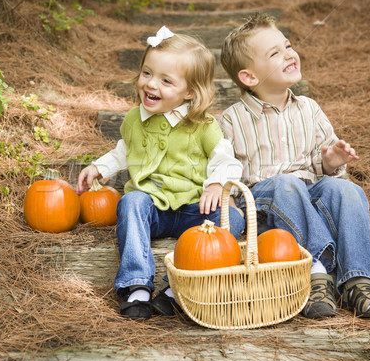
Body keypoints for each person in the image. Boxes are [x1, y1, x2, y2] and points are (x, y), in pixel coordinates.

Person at [218, 13, 370, 319]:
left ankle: (358, 281)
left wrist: (331, 163)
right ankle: (316, 274)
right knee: (288, 184)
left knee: (346, 190)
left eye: (287, 45)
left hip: (311, 193)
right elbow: (224, 170)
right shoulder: (233, 119)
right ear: (249, 77)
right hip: (270, 205)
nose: (289, 53)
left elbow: (325, 161)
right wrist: (231, 211)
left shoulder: (309, 109)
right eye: (275, 53)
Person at [77, 26, 245, 320]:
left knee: (234, 220)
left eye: (165, 80)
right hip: (152, 208)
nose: (151, 84)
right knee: (130, 203)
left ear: (190, 91)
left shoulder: (203, 125)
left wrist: (216, 184)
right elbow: (124, 150)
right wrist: (99, 167)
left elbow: (225, 158)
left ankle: (175, 290)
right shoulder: (134, 119)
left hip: (194, 210)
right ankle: (137, 286)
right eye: (147, 73)